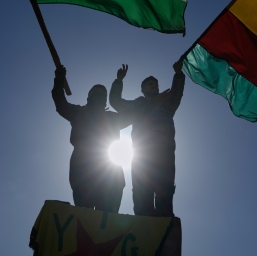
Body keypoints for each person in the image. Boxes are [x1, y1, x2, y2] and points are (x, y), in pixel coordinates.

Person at [52, 65, 132, 213]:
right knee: (84, 213)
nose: (99, 93)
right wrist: (59, 80)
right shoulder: (79, 112)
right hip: (83, 165)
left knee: (107, 215)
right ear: (89, 95)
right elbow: (60, 103)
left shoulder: (112, 118)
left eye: (102, 92)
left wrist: (118, 82)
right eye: (96, 90)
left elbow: (131, 114)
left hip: (109, 165)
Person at [109, 61, 185, 217]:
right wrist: (118, 81)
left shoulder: (166, 103)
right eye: (150, 84)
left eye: (156, 84)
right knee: (142, 194)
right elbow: (116, 102)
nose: (154, 86)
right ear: (142, 90)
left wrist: (178, 75)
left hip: (164, 152)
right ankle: (143, 226)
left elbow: (177, 94)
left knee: (165, 194)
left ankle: (165, 227)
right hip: (142, 154)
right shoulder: (137, 106)